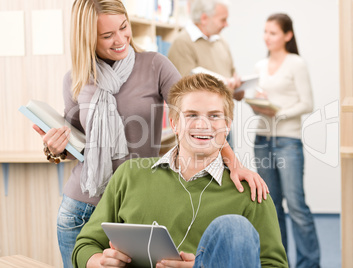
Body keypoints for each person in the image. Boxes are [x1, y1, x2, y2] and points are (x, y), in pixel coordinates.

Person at [32, 1, 268, 267]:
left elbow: (196, 114)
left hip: (133, 203)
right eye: (107, 35)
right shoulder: (75, 78)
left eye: (124, 28)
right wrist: (55, 148)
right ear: (86, 37)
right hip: (81, 208)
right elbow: (79, 141)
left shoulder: (155, 65)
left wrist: (233, 163)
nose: (120, 39)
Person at [72, 73, 288, 268]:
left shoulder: (251, 191)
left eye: (214, 116)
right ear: (174, 123)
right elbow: (85, 245)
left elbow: (274, 264)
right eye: (192, 115)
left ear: (227, 125)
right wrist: (98, 261)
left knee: (233, 226)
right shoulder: (129, 176)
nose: (203, 125)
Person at [250, 13, 320, 268]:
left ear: (287, 36)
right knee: (271, 208)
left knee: (297, 207)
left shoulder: (296, 63)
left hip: (288, 142)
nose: (267, 37)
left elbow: (307, 103)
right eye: (265, 32)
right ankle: (281, 263)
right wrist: (256, 104)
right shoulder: (259, 66)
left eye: (273, 33)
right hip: (262, 141)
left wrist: (278, 113)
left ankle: (309, 263)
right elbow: (260, 107)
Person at [168, 0, 244, 147]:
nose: (226, 24)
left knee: (226, 169)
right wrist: (226, 88)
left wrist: (238, 87)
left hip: (222, 125)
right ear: (204, 18)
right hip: (198, 131)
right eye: (223, 19)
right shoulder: (182, 43)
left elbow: (233, 77)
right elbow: (183, 91)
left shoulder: (222, 43)